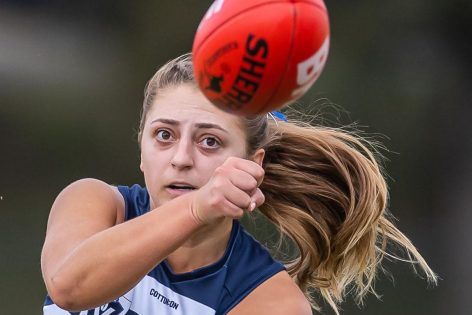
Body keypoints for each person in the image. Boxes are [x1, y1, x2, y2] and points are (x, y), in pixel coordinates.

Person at [40, 54, 437, 315]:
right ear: (141, 149)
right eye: (164, 135)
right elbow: (69, 289)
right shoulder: (94, 203)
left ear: (252, 163)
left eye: (209, 140)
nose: (181, 157)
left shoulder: (270, 302)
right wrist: (196, 208)